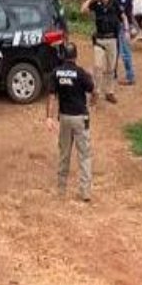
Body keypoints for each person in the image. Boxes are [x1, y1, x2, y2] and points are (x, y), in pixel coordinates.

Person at [45, 41, 96, 201]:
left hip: (65, 118)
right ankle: (85, 192)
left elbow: (51, 96)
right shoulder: (81, 73)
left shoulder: (56, 73)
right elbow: (93, 90)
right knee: (84, 155)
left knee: (64, 154)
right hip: (80, 117)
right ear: (76, 56)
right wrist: (93, 102)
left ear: (63, 56)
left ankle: (61, 190)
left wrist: (49, 117)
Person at [81, 0, 121, 103]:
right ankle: (96, 92)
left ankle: (109, 92)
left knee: (111, 68)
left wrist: (127, 28)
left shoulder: (114, 4)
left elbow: (122, 15)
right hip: (99, 40)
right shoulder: (96, 5)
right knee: (98, 67)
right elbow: (82, 10)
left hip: (112, 39)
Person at [112, 0, 136, 86]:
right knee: (115, 49)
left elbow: (121, 8)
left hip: (123, 24)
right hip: (117, 23)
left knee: (125, 51)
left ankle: (130, 76)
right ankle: (113, 72)